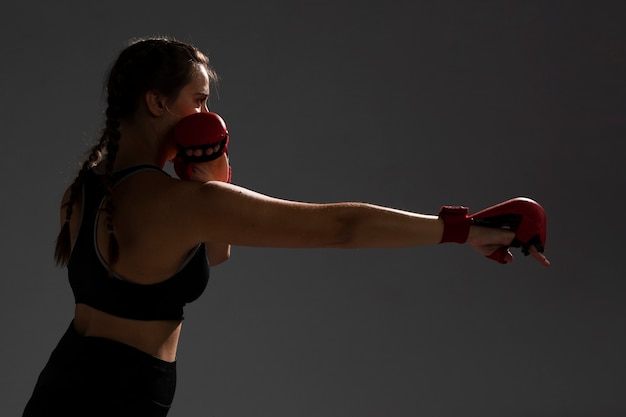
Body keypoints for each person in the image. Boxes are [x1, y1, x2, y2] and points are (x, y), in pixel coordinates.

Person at [22, 36, 549, 417]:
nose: (207, 112)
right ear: (158, 102)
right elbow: (342, 226)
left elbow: (211, 255)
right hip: (121, 397)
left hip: (66, 380)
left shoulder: (86, 189)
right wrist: (463, 229)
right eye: (199, 100)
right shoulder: (182, 203)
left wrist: (214, 179)